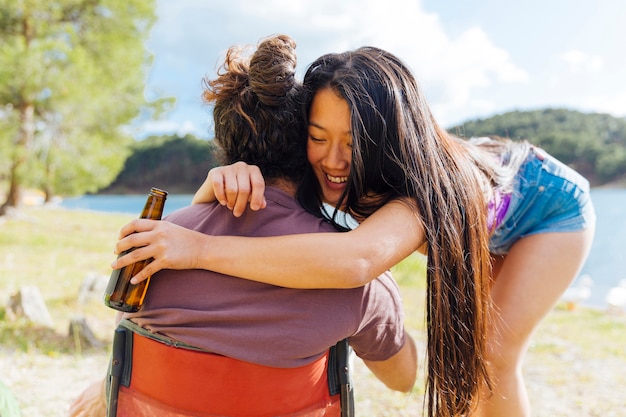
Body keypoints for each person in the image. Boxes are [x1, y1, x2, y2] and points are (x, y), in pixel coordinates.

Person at [113, 46, 595, 417]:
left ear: (385, 140)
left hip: (547, 209)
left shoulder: (417, 195)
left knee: (492, 354)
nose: (333, 160)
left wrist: (198, 247)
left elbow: (355, 261)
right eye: (317, 137)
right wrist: (216, 186)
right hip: (485, 210)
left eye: (353, 143)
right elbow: (283, 208)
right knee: (472, 362)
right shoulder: (328, 171)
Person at [70, 36, 417, 417]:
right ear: (304, 143)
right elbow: (402, 379)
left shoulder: (157, 246)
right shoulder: (358, 284)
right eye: (319, 137)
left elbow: (127, 342)